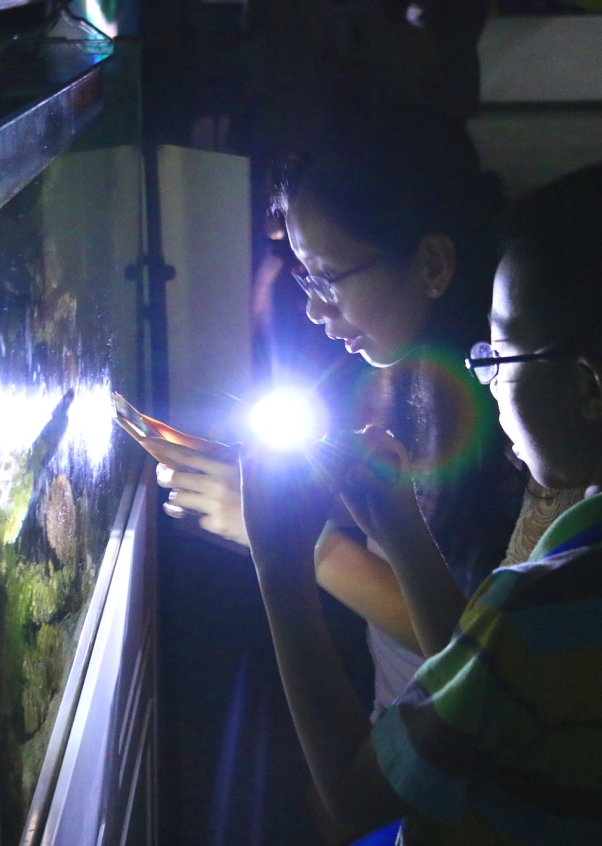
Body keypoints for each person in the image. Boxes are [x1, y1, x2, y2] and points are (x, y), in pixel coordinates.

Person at [239, 155, 602, 843]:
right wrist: (398, 526)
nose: (484, 377)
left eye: (501, 354)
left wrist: (280, 565)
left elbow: (350, 801)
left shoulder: (533, 612)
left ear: (588, 389)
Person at [158, 110, 527, 715]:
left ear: (433, 264)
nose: (314, 309)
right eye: (306, 279)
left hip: (451, 739)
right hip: (399, 716)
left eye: (329, 278)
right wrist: (281, 497)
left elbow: (472, 650)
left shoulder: (515, 423)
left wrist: (294, 543)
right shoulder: (398, 364)